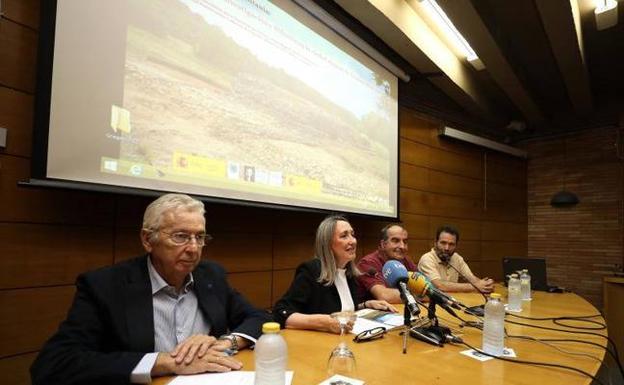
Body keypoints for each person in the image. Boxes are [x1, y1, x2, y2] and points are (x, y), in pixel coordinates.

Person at [31, 194, 269, 385]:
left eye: (200, 237)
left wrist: (227, 343)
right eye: (181, 236)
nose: (194, 248)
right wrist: (164, 363)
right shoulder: (106, 286)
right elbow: (54, 364)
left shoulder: (210, 275)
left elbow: (259, 318)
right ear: (147, 240)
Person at [273, 215, 396, 333]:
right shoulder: (311, 271)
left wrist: (366, 304)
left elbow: (341, 309)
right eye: (344, 236)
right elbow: (281, 313)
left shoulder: (349, 274)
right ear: (327, 244)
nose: (352, 241)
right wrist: (324, 322)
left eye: (352, 235)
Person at [418, 225, 494, 293]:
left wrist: (485, 284)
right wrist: (475, 286)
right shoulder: (427, 259)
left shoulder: (457, 258)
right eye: (443, 243)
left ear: (456, 246)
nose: (447, 248)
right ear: (435, 242)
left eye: (451, 244)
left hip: (452, 301)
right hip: (430, 303)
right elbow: (439, 285)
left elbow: (471, 278)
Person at [356, 224, 418, 303]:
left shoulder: (405, 260)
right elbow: (384, 296)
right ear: (383, 244)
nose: (402, 246)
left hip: (399, 309)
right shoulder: (368, 263)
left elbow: (426, 286)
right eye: (395, 241)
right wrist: (419, 295)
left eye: (405, 242)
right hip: (374, 313)